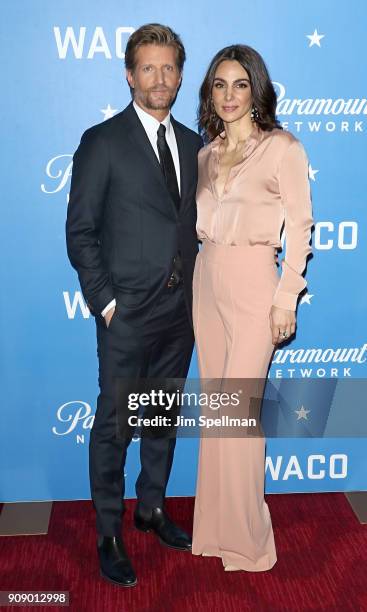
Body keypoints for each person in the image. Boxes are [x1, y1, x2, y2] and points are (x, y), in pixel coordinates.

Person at [66, 23, 202, 587]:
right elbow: (81, 231)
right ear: (129, 75)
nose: (160, 79)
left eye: (169, 67)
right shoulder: (102, 141)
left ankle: (151, 508)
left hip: (180, 313)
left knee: (161, 417)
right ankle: (108, 529)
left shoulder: (195, 144)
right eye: (149, 68)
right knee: (116, 424)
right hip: (126, 315)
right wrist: (105, 303)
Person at [191, 45, 314, 571]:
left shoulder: (283, 148)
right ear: (209, 93)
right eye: (219, 84)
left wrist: (286, 297)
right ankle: (215, 532)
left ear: (256, 89)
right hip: (206, 279)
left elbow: (302, 227)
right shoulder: (205, 153)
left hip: (253, 281)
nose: (229, 95)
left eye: (240, 84)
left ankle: (248, 542)